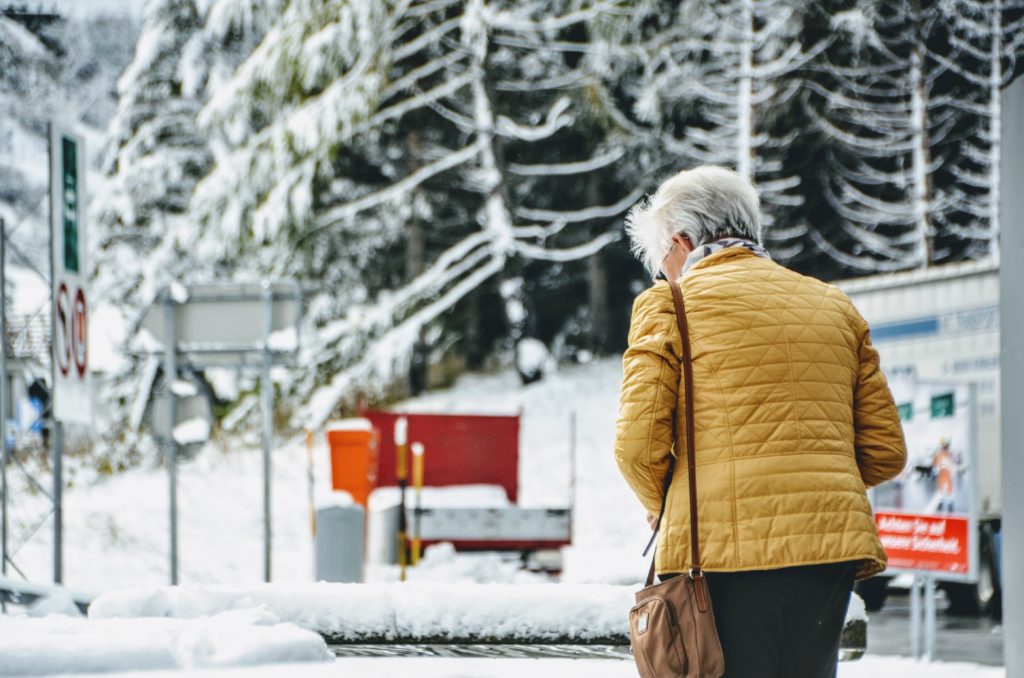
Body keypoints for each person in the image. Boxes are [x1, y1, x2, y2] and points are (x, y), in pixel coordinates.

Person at [615, 166, 907, 678]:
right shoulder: (832, 304)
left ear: (681, 242)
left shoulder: (669, 303)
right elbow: (886, 451)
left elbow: (638, 445)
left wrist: (661, 504)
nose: (664, 275)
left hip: (725, 556)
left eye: (663, 261)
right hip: (829, 548)